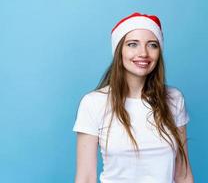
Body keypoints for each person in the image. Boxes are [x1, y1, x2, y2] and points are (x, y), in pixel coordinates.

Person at [73, 12, 194, 183]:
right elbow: (85, 178)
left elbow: (183, 174)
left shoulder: (174, 99)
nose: (143, 53)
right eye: (132, 44)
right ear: (119, 50)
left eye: (152, 45)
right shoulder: (94, 103)